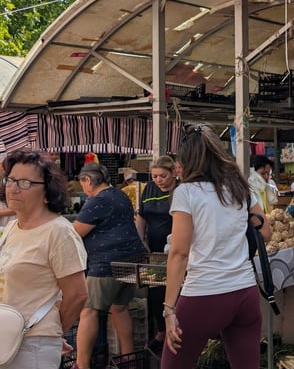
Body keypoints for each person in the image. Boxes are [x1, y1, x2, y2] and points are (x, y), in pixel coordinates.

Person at [162, 123, 271, 369]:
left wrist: (169, 310)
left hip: (204, 294)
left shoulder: (186, 193)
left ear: (187, 159)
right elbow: (266, 232)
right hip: (245, 293)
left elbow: (179, 253)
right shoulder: (240, 188)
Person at [0, 149, 88, 369]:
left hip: (33, 343)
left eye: (25, 183)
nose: (13, 188)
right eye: (10, 180)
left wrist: (52, 331)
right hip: (6, 336)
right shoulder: (12, 227)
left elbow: (77, 294)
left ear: (47, 191)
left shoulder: (58, 232)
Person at [73, 162, 148, 369]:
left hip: (106, 264)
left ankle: (82, 365)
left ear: (88, 180)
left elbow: (75, 233)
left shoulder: (97, 200)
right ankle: (129, 360)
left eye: (83, 184)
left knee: (89, 312)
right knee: (119, 308)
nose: (84, 190)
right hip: (131, 261)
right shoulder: (119, 194)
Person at [135, 155, 178, 357]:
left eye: (163, 176)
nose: (158, 180)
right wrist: (140, 239)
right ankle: (161, 333)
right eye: (155, 176)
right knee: (155, 293)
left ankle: (175, 332)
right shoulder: (149, 189)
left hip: (176, 251)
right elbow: (142, 215)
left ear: (173, 174)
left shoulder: (180, 191)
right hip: (153, 252)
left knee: (174, 291)